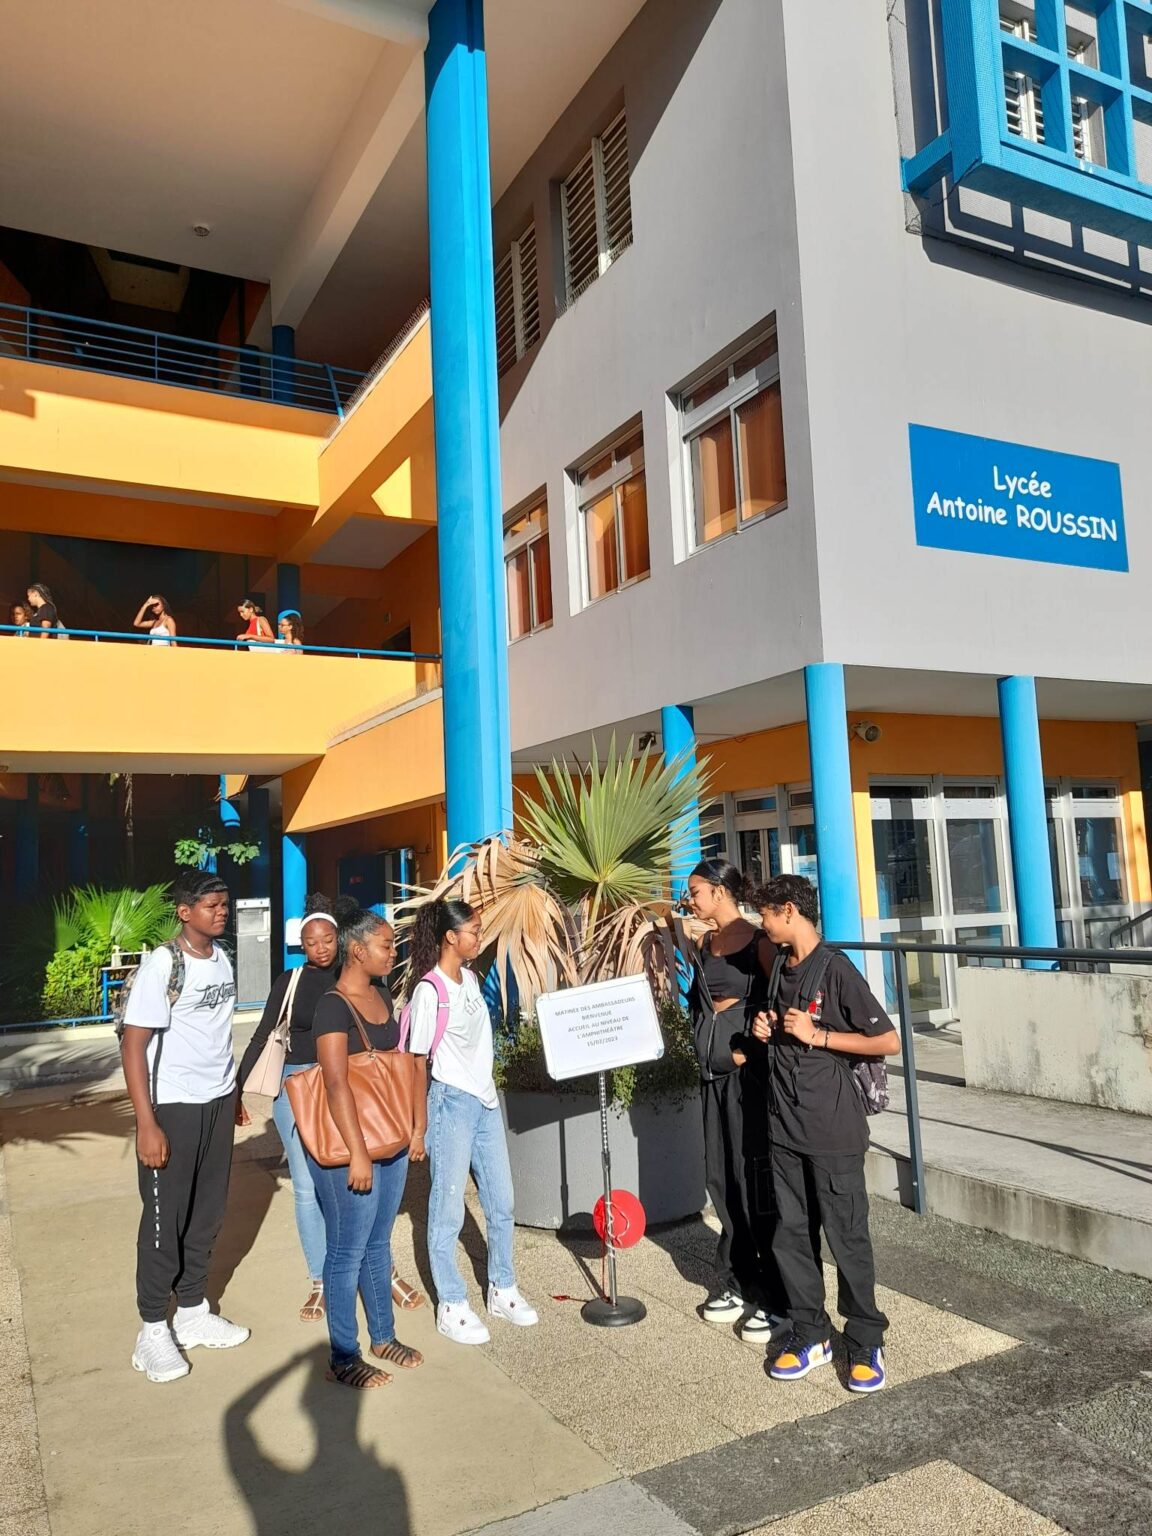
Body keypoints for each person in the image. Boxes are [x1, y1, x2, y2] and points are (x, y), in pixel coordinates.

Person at [235, 894, 425, 1323]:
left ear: (339, 942)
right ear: (301, 944)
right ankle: (321, 1280)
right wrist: (237, 1091)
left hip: (354, 1086)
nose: (318, 947)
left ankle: (381, 1272)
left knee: (358, 1200)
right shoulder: (292, 981)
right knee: (307, 1188)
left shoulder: (362, 980)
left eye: (325, 940)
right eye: (309, 941)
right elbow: (265, 1033)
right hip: (302, 1087)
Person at [750, 874, 899, 1394]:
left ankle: (865, 1339)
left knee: (847, 1237)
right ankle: (811, 1332)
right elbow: (781, 1028)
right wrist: (765, 1029)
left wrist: (820, 1035)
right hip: (782, 1126)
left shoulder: (835, 970)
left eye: (765, 915)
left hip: (832, 1129)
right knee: (790, 1233)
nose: (761, 924)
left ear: (788, 911)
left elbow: (888, 1040)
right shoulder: (780, 967)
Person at [120, 869, 249, 1384]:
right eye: (211, 905)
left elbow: (217, 1037)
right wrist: (146, 1124)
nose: (221, 911)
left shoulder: (221, 958)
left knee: (207, 1212)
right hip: (172, 1106)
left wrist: (232, 1094)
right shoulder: (163, 964)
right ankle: (152, 1329)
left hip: (216, 1103)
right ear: (184, 911)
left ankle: (193, 1311)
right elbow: (134, 1044)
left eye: (224, 904)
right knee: (163, 1220)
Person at [407, 898, 539, 1346]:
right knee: (446, 1211)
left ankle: (502, 1287)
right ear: (451, 937)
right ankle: (452, 1302)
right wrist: (418, 1127)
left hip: (485, 1102)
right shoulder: (430, 990)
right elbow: (415, 1061)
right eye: (474, 932)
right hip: (449, 1103)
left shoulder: (471, 978)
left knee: (501, 1201)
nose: (478, 938)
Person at [307, 904, 426, 1389]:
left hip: (390, 1140)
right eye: (385, 945)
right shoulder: (332, 1006)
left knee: (378, 1243)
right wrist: (358, 1153)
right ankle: (342, 1355)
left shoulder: (381, 996)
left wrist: (414, 1131)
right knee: (346, 1250)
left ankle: (383, 1336)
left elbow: (400, 1067)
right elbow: (336, 1085)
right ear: (357, 950)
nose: (392, 952)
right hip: (350, 1148)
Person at [686, 859, 788, 1346]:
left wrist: (748, 1050)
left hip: (745, 1078)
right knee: (720, 1177)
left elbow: (779, 1000)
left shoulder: (757, 942)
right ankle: (736, 1280)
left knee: (753, 1179)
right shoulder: (705, 943)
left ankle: (773, 1293)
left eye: (697, 892)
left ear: (721, 891)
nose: (691, 901)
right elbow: (698, 1003)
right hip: (711, 1076)